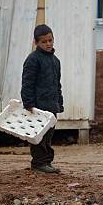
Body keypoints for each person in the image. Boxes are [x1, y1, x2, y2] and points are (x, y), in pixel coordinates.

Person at [21, 24, 63, 174]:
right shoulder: (33, 59)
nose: (48, 44)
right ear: (36, 43)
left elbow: (57, 84)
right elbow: (27, 83)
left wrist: (59, 103)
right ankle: (38, 164)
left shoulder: (55, 61)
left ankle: (46, 162)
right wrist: (28, 103)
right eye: (44, 42)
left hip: (51, 106)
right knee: (39, 136)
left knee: (49, 135)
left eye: (50, 40)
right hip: (38, 106)